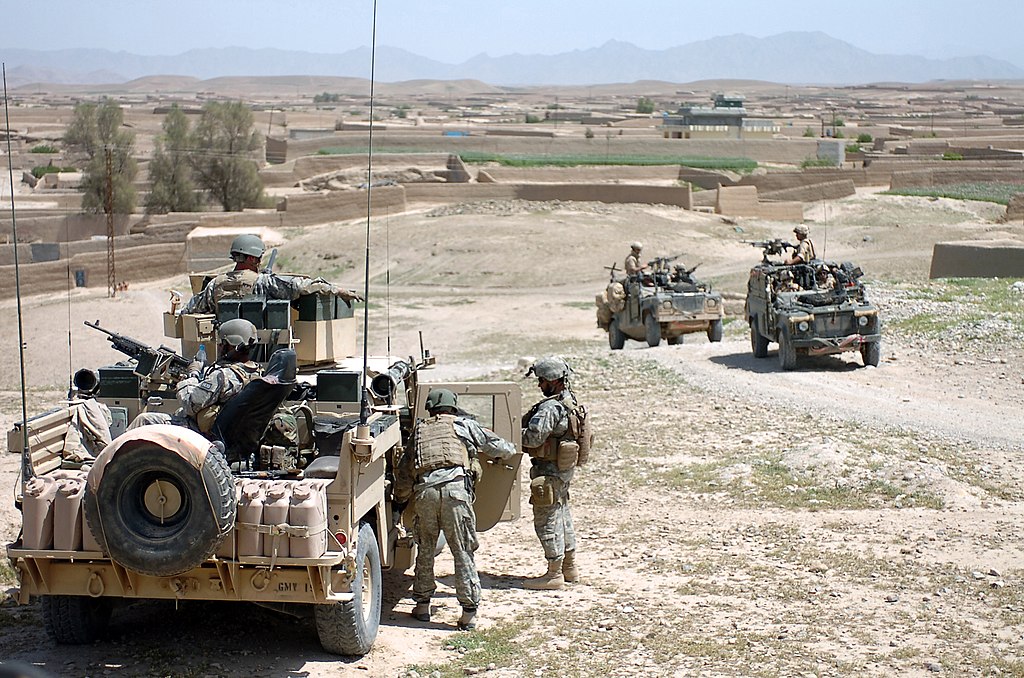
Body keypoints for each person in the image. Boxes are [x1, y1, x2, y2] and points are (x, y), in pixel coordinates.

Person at [395, 388, 516, 631]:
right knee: (462, 551)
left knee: (426, 550)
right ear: (453, 407)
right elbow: (499, 447)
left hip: (425, 493)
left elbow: (405, 473)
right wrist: (511, 452)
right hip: (456, 494)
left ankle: (422, 606)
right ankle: (468, 613)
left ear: (430, 408)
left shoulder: (419, 430)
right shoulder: (464, 426)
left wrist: (399, 502)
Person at [521, 356, 588, 591]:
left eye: (541, 380)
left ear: (552, 380)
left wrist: (511, 433)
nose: (540, 386)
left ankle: (553, 574)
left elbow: (533, 437)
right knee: (562, 515)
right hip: (563, 470)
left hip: (548, 472)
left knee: (546, 519)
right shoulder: (570, 401)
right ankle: (569, 568)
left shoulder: (551, 407)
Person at [128, 318, 261, 434]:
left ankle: (117, 458)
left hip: (203, 432)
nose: (219, 346)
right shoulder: (257, 372)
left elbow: (189, 404)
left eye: (222, 343)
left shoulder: (222, 376)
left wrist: (192, 374)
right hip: (230, 431)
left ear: (233, 346)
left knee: (144, 420)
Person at [180, 234, 362, 315]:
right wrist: (337, 290)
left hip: (227, 349)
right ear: (252, 258)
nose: (259, 262)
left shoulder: (215, 285)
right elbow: (303, 286)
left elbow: (191, 309)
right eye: (259, 258)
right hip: (260, 350)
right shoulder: (264, 283)